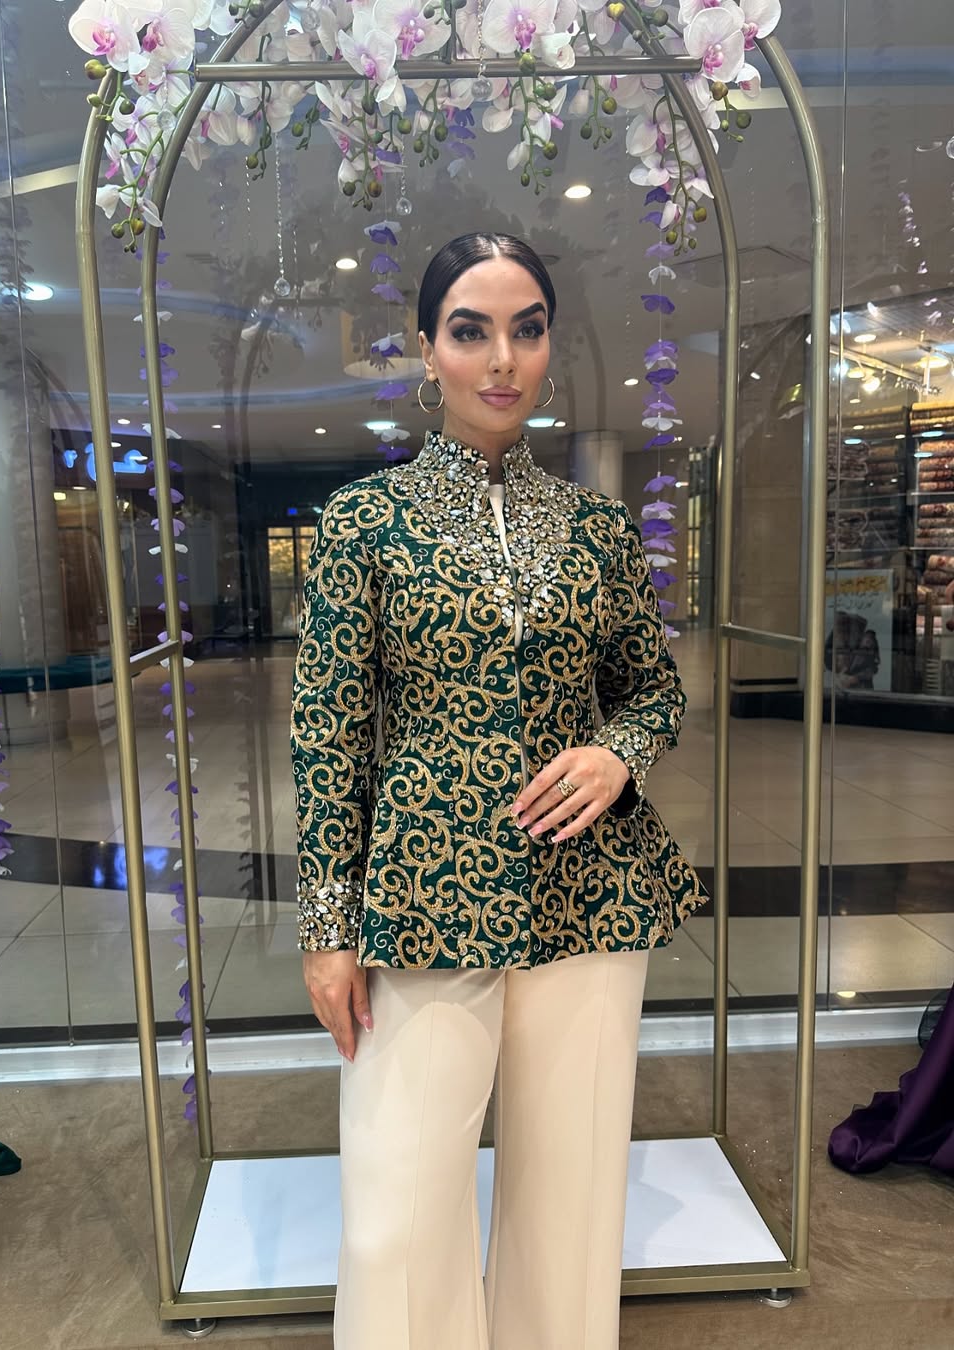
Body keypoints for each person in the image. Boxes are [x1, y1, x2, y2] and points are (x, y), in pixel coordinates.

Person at [290, 231, 709, 1350]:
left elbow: (653, 690)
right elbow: (328, 735)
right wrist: (328, 930)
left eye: (527, 331)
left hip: (589, 890)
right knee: (394, 1211)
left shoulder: (595, 529)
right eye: (471, 331)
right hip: (424, 895)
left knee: (571, 1199)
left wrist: (616, 753)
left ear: (550, 347)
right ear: (428, 349)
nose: (502, 359)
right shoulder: (364, 523)